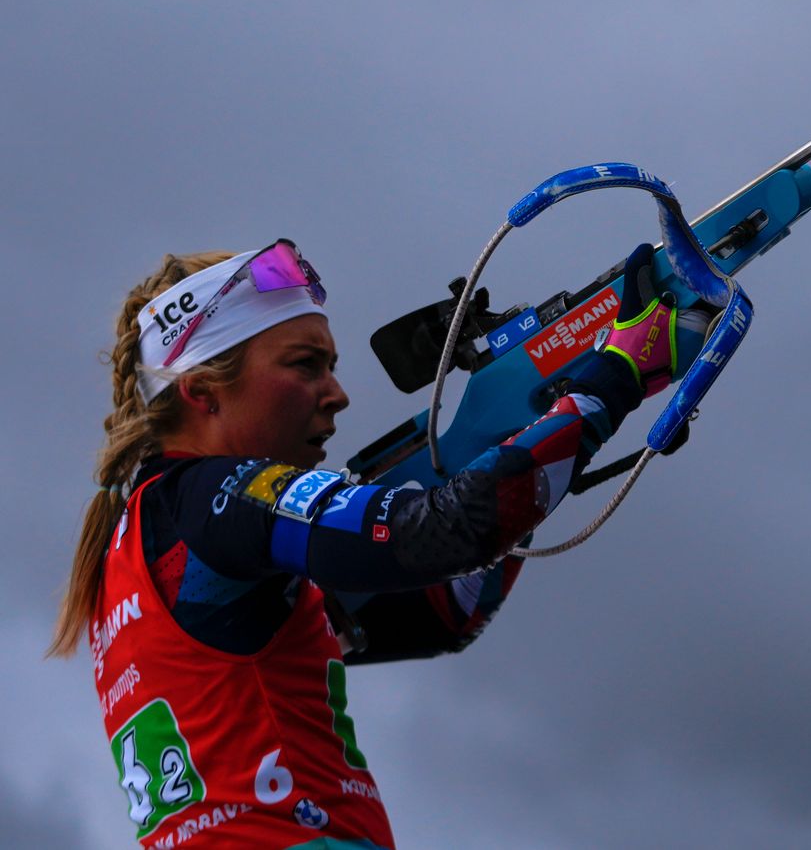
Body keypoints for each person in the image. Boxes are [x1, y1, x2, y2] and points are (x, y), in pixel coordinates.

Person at [51, 240, 686, 849]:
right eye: (305, 365)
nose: (338, 393)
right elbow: (442, 531)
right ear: (202, 391)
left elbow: (447, 613)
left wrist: (541, 435)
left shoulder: (144, 544)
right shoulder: (210, 501)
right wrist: (615, 377)